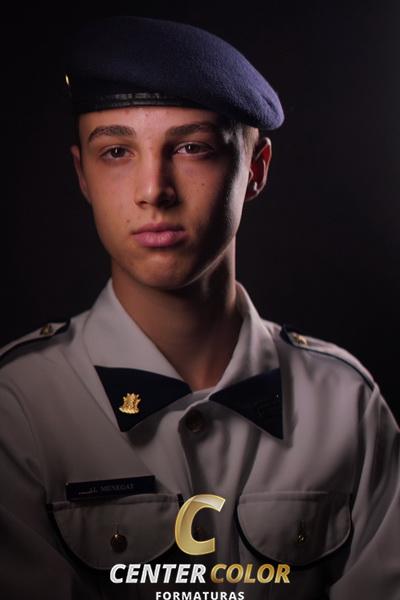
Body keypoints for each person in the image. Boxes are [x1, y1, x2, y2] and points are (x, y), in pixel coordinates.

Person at [0, 15, 398, 600]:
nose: (153, 190)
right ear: (82, 174)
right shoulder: (18, 408)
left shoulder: (345, 405)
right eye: (116, 151)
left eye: (192, 148)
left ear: (255, 169)